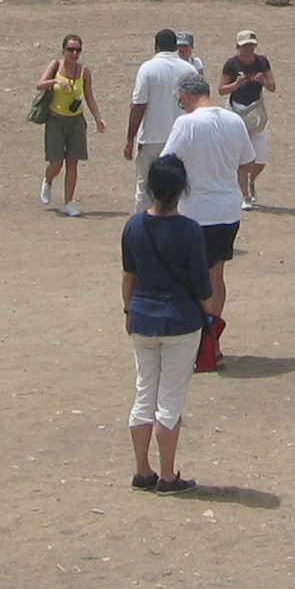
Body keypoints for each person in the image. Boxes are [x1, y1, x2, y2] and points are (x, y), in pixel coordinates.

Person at [120, 154, 217, 494]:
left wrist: (128, 311)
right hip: (180, 322)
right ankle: (167, 475)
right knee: (170, 402)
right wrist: (211, 315)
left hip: (143, 319)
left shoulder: (133, 226)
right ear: (182, 189)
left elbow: (128, 277)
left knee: (144, 394)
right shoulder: (189, 231)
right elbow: (202, 285)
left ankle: (141, 469)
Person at [160, 73, 255, 372]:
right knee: (216, 276)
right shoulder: (233, 121)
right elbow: (247, 161)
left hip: (195, 212)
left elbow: (166, 164)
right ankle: (212, 342)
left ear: (185, 97)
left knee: (189, 279)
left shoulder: (186, 124)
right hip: (227, 209)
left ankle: (198, 344)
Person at [36, 35, 105, 217]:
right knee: (56, 162)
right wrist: (56, 81)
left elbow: (89, 96)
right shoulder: (55, 66)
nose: (74, 54)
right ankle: (48, 180)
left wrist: (98, 118)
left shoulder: (84, 72)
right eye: (71, 50)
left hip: (76, 121)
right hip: (55, 120)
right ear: (64, 50)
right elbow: (40, 85)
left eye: (77, 50)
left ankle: (68, 202)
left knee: (73, 163)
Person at [123, 27, 187, 214]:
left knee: (145, 188)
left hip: (151, 138)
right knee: (178, 187)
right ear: (175, 46)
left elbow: (138, 105)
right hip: (179, 139)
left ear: (156, 46)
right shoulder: (188, 69)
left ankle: (145, 230)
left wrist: (129, 139)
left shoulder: (148, 69)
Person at [219, 31, 276, 210]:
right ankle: (245, 196)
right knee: (241, 158)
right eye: (245, 45)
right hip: (235, 111)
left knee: (260, 160)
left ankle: (250, 182)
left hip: (255, 112)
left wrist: (263, 82)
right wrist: (236, 85)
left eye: (251, 45)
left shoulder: (262, 62)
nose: (249, 48)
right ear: (238, 46)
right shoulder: (231, 64)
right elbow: (221, 89)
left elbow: (273, 86)